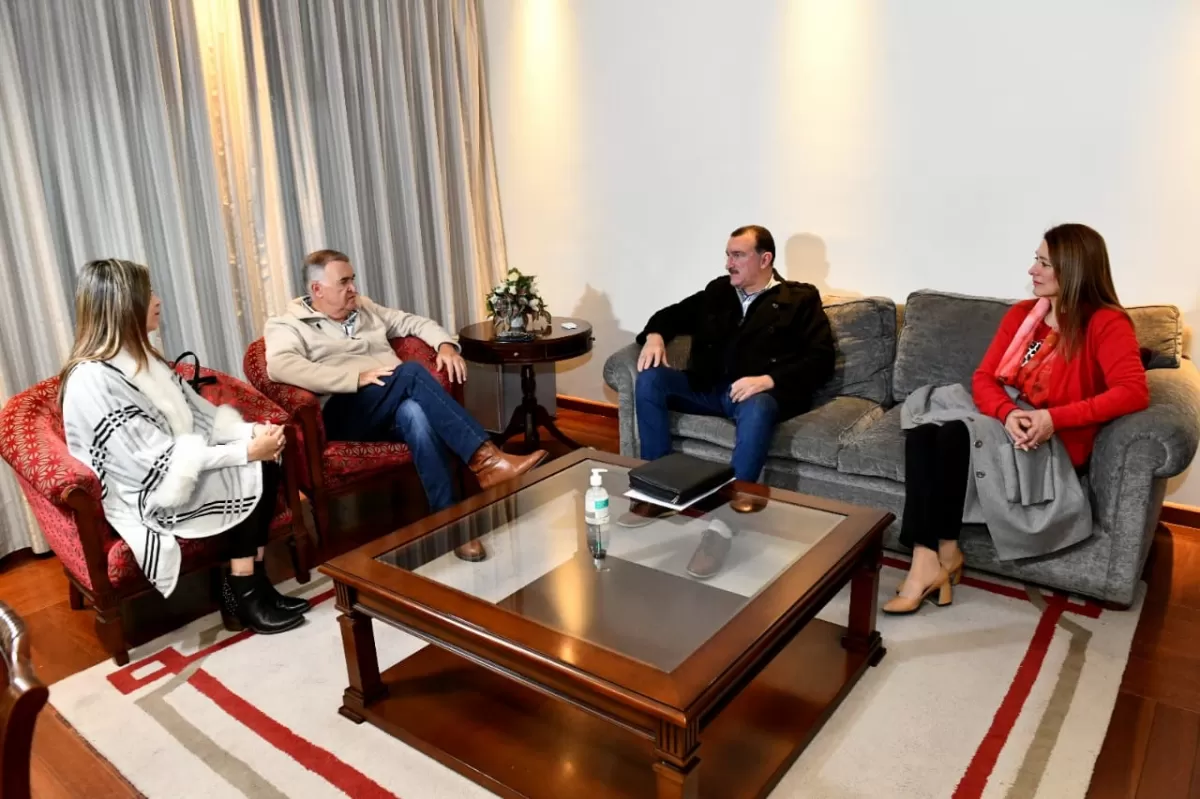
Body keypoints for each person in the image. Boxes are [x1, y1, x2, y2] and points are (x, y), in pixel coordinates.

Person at [886, 223, 1150, 615]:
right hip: (1008, 417)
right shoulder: (1024, 315)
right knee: (924, 431)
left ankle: (937, 560)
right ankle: (934, 556)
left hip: (1052, 440)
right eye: (1036, 260)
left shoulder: (1106, 324)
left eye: (1044, 263)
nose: (1032, 270)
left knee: (954, 434)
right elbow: (984, 378)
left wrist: (1052, 419)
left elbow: (1132, 391)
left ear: (1074, 269)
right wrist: (1008, 413)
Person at [60, 259, 309, 635]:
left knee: (266, 454)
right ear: (122, 305)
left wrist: (255, 435)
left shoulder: (145, 359)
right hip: (146, 489)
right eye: (149, 294)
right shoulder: (93, 379)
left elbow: (203, 418)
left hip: (177, 461)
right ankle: (244, 588)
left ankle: (252, 583)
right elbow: (152, 462)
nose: (158, 300)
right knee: (252, 464)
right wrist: (245, 452)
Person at [263, 250, 546, 562]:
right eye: (343, 282)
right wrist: (353, 378)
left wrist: (446, 346)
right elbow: (281, 367)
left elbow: (414, 322)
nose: (353, 288)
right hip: (345, 412)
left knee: (416, 415)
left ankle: (452, 525)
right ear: (317, 289)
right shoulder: (287, 324)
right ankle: (485, 459)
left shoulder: (365, 308)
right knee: (410, 373)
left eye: (352, 280)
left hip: (392, 403)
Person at [623, 225, 836, 578]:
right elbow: (671, 314)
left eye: (738, 255)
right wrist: (656, 335)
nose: (728, 263)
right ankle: (658, 491)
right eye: (727, 254)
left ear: (765, 259)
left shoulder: (799, 299)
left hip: (753, 396)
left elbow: (821, 358)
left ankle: (721, 529)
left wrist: (768, 380)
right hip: (707, 388)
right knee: (651, 379)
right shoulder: (719, 292)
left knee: (760, 407)